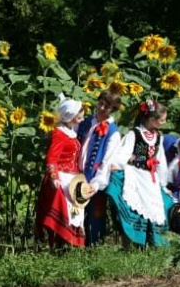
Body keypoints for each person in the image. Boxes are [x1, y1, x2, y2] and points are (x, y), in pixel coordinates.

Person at [105, 100, 173, 247]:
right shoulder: (134, 134)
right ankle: (132, 243)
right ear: (152, 120)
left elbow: (160, 160)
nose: (164, 122)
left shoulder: (158, 137)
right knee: (134, 207)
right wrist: (119, 164)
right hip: (135, 175)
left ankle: (153, 242)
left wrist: (163, 183)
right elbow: (123, 153)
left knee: (155, 207)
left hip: (150, 178)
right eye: (162, 120)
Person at [36, 94, 88, 248]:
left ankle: (68, 247)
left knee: (76, 211)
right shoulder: (59, 133)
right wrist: (54, 177)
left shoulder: (71, 132)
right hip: (61, 178)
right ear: (70, 117)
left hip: (72, 178)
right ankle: (59, 245)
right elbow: (52, 158)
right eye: (79, 118)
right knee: (65, 210)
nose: (82, 120)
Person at [77, 91, 122, 246]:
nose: (101, 108)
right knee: (76, 213)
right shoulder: (86, 122)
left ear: (113, 110)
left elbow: (107, 162)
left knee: (95, 215)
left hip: (95, 178)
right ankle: (73, 247)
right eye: (101, 103)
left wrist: (96, 183)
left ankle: (94, 248)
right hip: (76, 175)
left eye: (107, 106)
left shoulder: (113, 132)